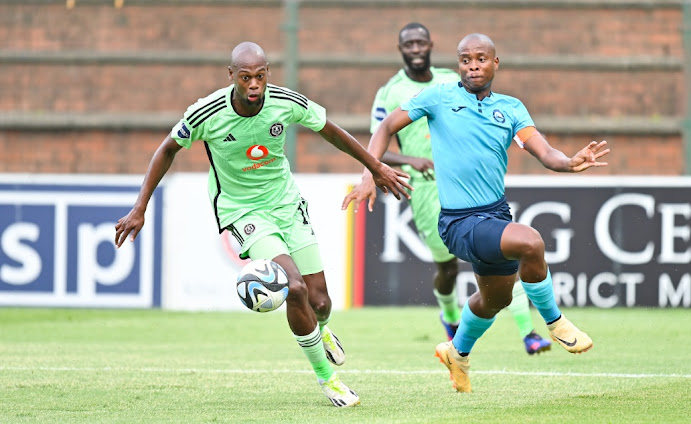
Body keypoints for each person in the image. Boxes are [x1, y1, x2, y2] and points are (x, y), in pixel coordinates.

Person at [114, 41, 412, 407]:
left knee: (321, 301)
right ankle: (328, 379)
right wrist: (140, 206)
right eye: (245, 78)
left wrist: (374, 166)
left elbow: (331, 131)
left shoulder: (286, 102)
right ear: (231, 77)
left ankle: (322, 328)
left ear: (267, 73)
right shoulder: (206, 113)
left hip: (286, 204)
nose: (254, 85)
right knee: (295, 288)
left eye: (260, 76)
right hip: (243, 211)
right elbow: (167, 149)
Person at [344, 33, 608, 393]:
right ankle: (556, 323)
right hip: (457, 221)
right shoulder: (439, 96)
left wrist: (569, 162)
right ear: (458, 65)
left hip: (494, 213)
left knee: (495, 298)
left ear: (495, 63)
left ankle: (457, 352)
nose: (473, 66)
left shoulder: (512, 108)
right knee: (530, 242)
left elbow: (545, 153)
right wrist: (370, 172)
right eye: (466, 60)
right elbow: (386, 126)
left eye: (481, 59)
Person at [371, 22, 551, 355]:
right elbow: (379, 140)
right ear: (401, 50)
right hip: (426, 190)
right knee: (447, 266)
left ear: (430, 45)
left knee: (508, 250)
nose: (415, 49)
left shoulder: (451, 82)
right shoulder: (390, 92)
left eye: (420, 42)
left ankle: (530, 332)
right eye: (408, 44)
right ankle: (451, 318)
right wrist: (401, 163)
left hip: (471, 188)